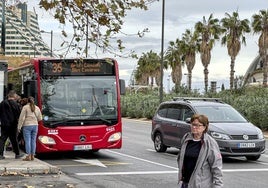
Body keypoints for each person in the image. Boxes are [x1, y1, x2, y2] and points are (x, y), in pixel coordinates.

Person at [177, 114, 223, 188]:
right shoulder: (186, 138)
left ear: (204, 127)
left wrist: (218, 185)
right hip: (185, 183)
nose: (194, 127)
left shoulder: (210, 143)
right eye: (192, 124)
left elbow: (216, 167)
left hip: (201, 185)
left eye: (198, 125)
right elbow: (180, 158)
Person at [0, 90, 24, 159]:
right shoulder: (15, 104)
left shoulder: (2, 103)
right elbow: (18, 114)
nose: (16, 96)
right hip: (12, 124)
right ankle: (17, 154)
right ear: (13, 96)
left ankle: (0, 155)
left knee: (2, 139)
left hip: (4, 124)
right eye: (16, 95)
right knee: (14, 139)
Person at [18, 96, 42, 161]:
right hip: (35, 125)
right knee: (33, 141)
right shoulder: (37, 108)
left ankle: (28, 156)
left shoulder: (25, 107)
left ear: (27, 101)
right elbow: (40, 118)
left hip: (27, 125)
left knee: (27, 141)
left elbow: (22, 118)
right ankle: (32, 155)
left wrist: (19, 127)